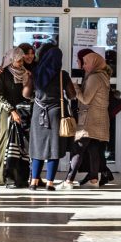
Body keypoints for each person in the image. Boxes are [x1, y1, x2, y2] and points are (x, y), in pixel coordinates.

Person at [29, 47, 75, 191]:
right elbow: (72, 95)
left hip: (38, 111)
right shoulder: (62, 75)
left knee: (37, 146)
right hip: (56, 113)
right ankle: (49, 183)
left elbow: (26, 93)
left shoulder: (35, 72)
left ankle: (34, 182)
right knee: (54, 147)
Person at [63, 51, 111, 188]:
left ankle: (68, 181)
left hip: (90, 119)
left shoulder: (94, 78)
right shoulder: (102, 75)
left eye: (85, 63)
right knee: (93, 149)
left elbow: (85, 99)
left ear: (94, 63)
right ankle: (94, 180)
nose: (83, 66)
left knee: (78, 148)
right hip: (98, 118)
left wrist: (75, 87)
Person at [0, 46, 33, 187]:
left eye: (22, 61)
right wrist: (12, 111)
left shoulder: (26, 74)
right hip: (6, 112)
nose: (21, 63)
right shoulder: (2, 74)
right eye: (18, 61)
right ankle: (1, 177)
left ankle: (19, 178)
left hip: (22, 112)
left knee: (20, 144)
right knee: (5, 141)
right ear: (11, 60)